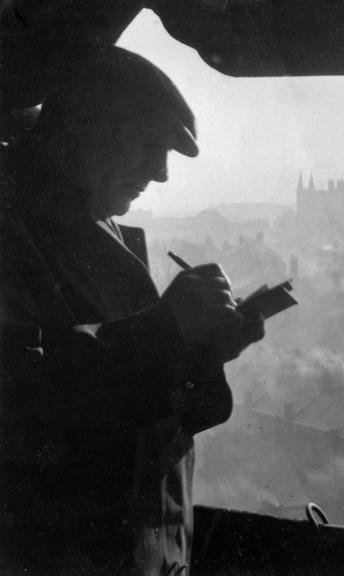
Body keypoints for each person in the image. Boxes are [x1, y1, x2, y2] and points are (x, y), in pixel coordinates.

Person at [0, 45, 264, 575]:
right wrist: (168, 332)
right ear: (91, 129)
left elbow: (143, 403)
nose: (162, 174)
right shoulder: (12, 227)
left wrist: (203, 349)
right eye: (150, 146)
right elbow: (23, 397)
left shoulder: (98, 228)